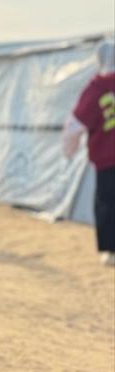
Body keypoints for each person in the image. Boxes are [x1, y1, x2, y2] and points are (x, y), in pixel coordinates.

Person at [63, 40, 115, 265]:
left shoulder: (96, 89)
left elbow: (75, 124)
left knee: (107, 203)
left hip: (107, 159)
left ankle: (111, 251)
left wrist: (69, 150)